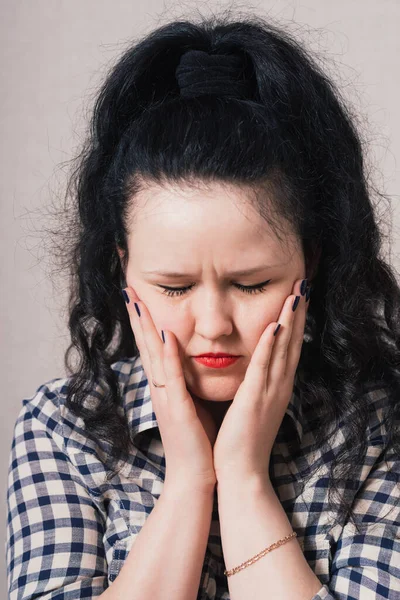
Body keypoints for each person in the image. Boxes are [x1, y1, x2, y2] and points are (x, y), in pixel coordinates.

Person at [6, 12, 400, 600]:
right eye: (174, 287)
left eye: (251, 285)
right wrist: (189, 482)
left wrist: (243, 481)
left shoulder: (379, 428)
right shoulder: (63, 430)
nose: (213, 326)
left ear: (309, 264)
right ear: (123, 270)